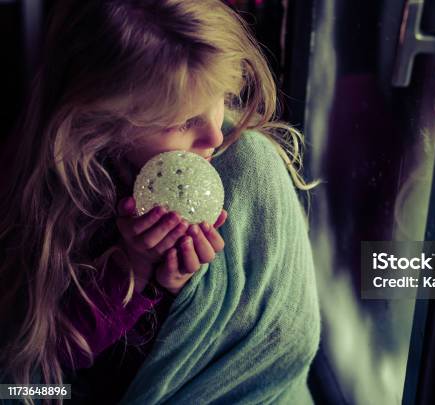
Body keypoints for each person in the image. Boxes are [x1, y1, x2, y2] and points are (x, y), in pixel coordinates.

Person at [0, 0, 321, 403]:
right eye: (182, 122)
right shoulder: (52, 202)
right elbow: (42, 367)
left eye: (220, 97)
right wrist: (133, 274)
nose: (215, 136)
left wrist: (174, 287)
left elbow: (279, 338)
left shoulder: (248, 169)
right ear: (99, 124)